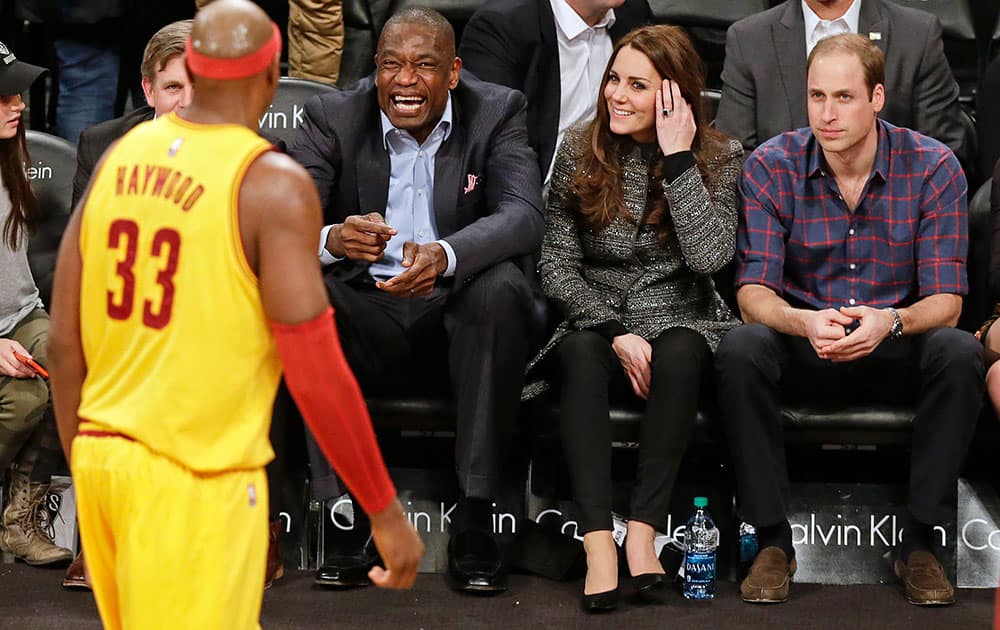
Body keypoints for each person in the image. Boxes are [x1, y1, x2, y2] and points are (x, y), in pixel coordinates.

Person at [47, 2, 423, 627]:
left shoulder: (120, 155)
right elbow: (316, 369)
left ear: (190, 67)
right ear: (273, 78)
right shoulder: (270, 182)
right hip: (198, 479)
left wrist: (86, 470)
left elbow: (64, 343)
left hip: (104, 462)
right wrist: (382, 509)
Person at [717, 33, 983, 607]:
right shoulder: (771, 165)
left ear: (878, 97)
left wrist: (890, 322)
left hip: (894, 340)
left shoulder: (934, 167)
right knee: (742, 346)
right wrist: (803, 321)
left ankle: (919, 543)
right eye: (817, 96)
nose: (828, 114)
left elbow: (948, 302)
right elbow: (753, 293)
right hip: (804, 343)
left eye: (844, 97)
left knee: (959, 351)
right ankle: (770, 540)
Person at [289, 7, 544, 594]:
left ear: (453, 73)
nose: (405, 80)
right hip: (367, 308)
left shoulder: (497, 110)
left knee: (502, 288)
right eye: (391, 65)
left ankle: (476, 515)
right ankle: (342, 514)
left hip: (455, 313)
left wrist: (445, 256)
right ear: (374, 70)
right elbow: (283, 225)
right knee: (306, 295)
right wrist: (330, 239)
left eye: (424, 65)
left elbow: (524, 216)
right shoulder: (332, 114)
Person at [522, 24, 741, 612]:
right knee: (578, 355)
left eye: (636, 85)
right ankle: (598, 544)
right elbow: (556, 265)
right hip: (596, 319)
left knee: (680, 349)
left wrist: (677, 159)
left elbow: (710, 258)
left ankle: (643, 531)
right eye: (614, 79)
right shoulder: (578, 147)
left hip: (682, 316)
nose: (616, 94)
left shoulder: (718, 156)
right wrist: (614, 331)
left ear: (673, 96)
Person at [715, 0, 972, 170]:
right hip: (783, 231)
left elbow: (945, 156)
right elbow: (732, 161)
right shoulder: (749, 40)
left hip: (891, 229)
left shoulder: (917, 35)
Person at [0, 41, 73, 568]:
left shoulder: (10, 157)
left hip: (22, 314)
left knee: (74, 363)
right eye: (3, 97)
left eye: (18, 93)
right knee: (25, 402)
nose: (19, 103)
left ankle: (19, 522)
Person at [460, 0, 651, 185]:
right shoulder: (503, 24)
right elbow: (492, 144)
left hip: (612, 188)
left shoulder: (632, 13)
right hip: (532, 192)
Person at [72, 20, 193, 207]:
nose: (187, 102)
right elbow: (84, 234)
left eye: (202, 87)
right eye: (173, 87)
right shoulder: (101, 146)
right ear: (149, 91)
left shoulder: (247, 152)